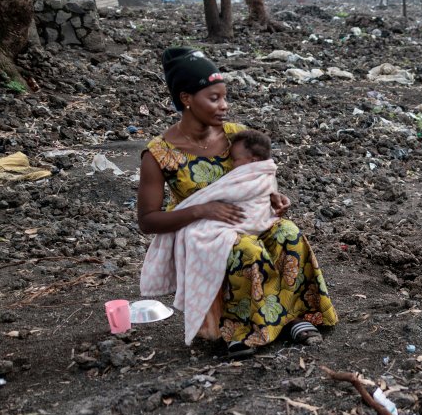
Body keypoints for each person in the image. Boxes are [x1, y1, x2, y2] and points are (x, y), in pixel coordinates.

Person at [136, 47, 337, 358]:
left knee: (289, 234)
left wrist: (275, 195)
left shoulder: (234, 136)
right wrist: (202, 209)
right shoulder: (158, 154)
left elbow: (258, 176)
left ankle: (293, 317)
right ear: (187, 98)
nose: (224, 106)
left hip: (250, 218)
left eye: (224, 96)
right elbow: (147, 221)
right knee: (246, 250)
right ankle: (238, 331)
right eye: (213, 98)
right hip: (203, 231)